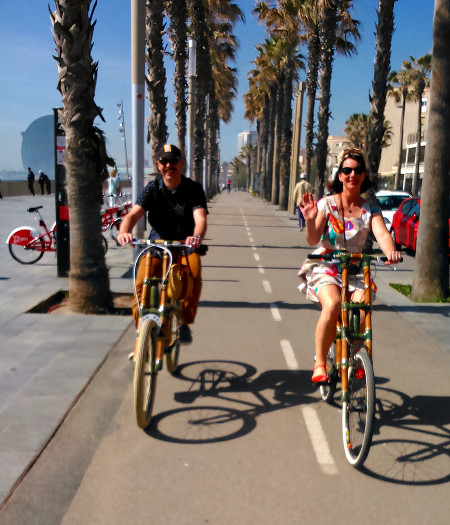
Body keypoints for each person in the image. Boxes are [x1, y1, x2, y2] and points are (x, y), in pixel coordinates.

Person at [297, 148, 401, 383]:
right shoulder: (326, 204)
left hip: (355, 269)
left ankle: (349, 357)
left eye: (358, 170)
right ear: (340, 176)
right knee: (332, 304)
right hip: (327, 265)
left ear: (364, 176)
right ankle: (321, 363)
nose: (352, 174)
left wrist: (391, 251)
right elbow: (313, 240)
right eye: (347, 170)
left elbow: (382, 234)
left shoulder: (370, 207)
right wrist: (311, 221)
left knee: (363, 314)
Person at [117, 144, 208, 347]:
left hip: (184, 246)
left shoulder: (193, 189)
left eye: (173, 161)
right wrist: (124, 232)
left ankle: (184, 322)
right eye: (164, 162)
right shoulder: (152, 189)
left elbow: (200, 218)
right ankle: (142, 331)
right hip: (156, 245)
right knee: (141, 285)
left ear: (181, 164)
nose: (169, 165)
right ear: (159, 165)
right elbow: (133, 215)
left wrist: (196, 237)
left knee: (193, 273)